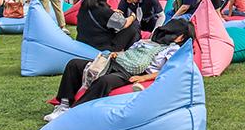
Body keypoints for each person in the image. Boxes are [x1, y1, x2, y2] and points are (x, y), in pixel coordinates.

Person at [46, 19, 194, 121]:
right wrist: (117, 54)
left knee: (104, 81)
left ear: (180, 38)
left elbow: (170, 70)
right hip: (117, 61)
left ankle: (74, 113)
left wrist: (144, 78)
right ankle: (64, 104)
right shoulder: (148, 41)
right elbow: (131, 53)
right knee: (74, 64)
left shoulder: (173, 49)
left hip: (132, 72)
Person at [76, 0, 141, 52]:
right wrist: (133, 16)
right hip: (102, 47)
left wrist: (112, 12)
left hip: (83, 43)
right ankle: (131, 53)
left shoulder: (83, 8)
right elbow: (124, 23)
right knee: (133, 26)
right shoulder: (104, 11)